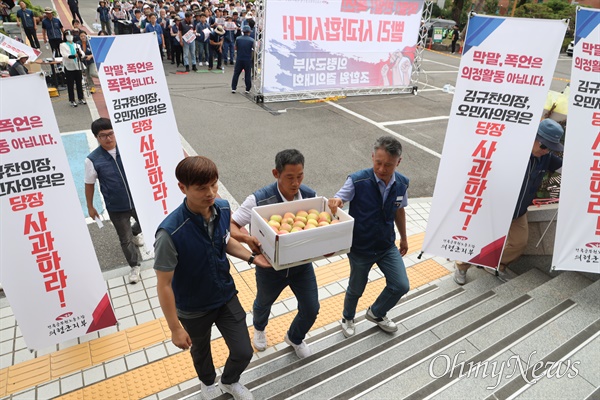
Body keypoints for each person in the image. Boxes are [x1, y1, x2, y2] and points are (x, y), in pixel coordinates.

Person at [155, 156, 268, 400]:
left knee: (243, 351)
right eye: (202, 188)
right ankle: (207, 383)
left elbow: (224, 240)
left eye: (214, 185)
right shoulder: (170, 233)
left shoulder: (223, 207)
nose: (211, 193)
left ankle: (229, 381)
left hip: (225, 296)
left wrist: (252, 258)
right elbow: (163, 284)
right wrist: (175, 328)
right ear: (182, 188)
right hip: (193, 307)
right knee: (201, 352)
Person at [231, 149, 320, 359]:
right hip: (270, 267)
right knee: (263, 303)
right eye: (289, 177)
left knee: (312, 307)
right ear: (276, 173)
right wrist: (246, 239)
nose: (295, 183)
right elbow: (232, 225)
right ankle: (259, 328)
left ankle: (295, 337)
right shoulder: (259, 200)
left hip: (301, 265)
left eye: (300, 176)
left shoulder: (310, 196)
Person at [454, 119, 565, 285]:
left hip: (518, 212)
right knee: (478, 240)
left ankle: (496, 265)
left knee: (519, 243)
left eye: (550, 148)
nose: (546, 150)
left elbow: (568, 169)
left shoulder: (546, 158)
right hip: (494, 208)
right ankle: (461, 266)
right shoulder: (511, 151)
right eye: (543, 146)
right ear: (532, 137)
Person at [329, 136, 411, 338]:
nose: (382, 169)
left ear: (398, 163)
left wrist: (404, 237)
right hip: (360, 248)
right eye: (378, 163)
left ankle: (377, 312)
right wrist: (336, 201)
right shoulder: (357, 180)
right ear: (372, 157)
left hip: (386, 245)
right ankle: (347, 317)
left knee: (401, 285)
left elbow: (399, 210)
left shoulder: (401, 184)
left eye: (388, 165)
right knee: (356, 288)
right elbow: (340, 197)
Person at [86, 118, 146, 284]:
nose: (108, 138)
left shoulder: (128, 149)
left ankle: (136, 232)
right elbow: (89, 184)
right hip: (116, 207)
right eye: (103, 135)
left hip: (138, 201)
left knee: (146, 225)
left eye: (110, 133)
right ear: (97, 138)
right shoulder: (92, 160)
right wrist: (90, 206)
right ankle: (134, 266)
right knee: (124, 239)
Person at [60, 30, 86, 107]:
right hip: (69, 66)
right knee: (70, 84)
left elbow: (82, 53)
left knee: (79, 83)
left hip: (77, 65)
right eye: (67, 35)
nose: (69, 37)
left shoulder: (76, 45)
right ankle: (72, 100)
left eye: (70, 35)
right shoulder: (63, 45)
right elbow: (64, 55)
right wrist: (73, 56)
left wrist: (80, 54)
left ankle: (80, 98)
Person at [231, 25, 253, 94]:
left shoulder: (238, 39)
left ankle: (234, 88)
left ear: (243, 31)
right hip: (248, 59)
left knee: (236, 73)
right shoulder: (252, 40)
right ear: (249, 32)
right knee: (247, 74)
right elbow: (254, 50)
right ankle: (247, 89)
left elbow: (235, 48)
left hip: (239, 58)